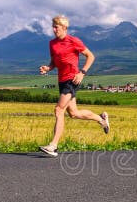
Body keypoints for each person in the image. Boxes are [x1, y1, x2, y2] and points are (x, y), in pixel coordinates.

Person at [38, 15, 110, 157]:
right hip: (62, 80)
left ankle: (53, 146)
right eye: (53, 27)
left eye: (56, 27)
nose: (54, 29)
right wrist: (48, 68)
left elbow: (91, 56)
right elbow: (54, 62)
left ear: (64, 28)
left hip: (72, 79)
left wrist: (82, 72)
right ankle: (101, 119)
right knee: (73, 113)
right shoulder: (52, 44)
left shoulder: (73, 41)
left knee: (58, 110)